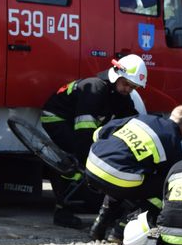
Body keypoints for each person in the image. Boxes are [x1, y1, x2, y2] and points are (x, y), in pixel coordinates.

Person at [41, 54, 147, 228]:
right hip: (56, 119)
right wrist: (90, 162)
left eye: (133, 87)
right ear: (116, 75)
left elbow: (131, 119)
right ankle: (62, 212)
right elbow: (84, 130)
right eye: (126, 84)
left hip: (76, 124)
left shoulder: (119, 95)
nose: (128, 89)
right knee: (74, 162)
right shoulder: (94, 87)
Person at [85, 104, 182, 242]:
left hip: (92, 163)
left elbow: (100, 133)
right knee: (162, 189)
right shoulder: (173, 140)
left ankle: (98, 227)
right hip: (118, 177)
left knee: (124, 171)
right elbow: (170, 175)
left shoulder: (142, 118)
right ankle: (121, 229)